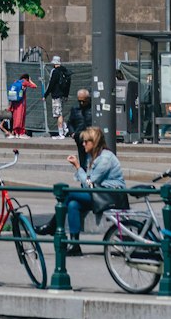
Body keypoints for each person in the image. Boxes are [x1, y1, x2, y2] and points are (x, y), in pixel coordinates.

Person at [64, 126, 126, 254]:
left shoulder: (104, 159)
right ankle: (75, 244)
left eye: (86, 141)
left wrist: (77, 167)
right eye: (83, 141)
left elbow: (89, 184)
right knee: (72, 204)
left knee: (67, 194)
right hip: (99, 194)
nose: (83, 144)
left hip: (111, 196)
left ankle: (53, 226)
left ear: (95, 142)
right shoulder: (92, 157)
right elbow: (89, 183)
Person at [45, 56, 72, 139]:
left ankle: (61, 133)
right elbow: (68, 84)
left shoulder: (55, 72)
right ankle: (65, 128)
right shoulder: (65, 71)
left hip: (56, 95)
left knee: (58, 114)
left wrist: (45, 95)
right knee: (59, 113)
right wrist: (66, 95)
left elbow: (51, 84)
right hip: (63, 95)